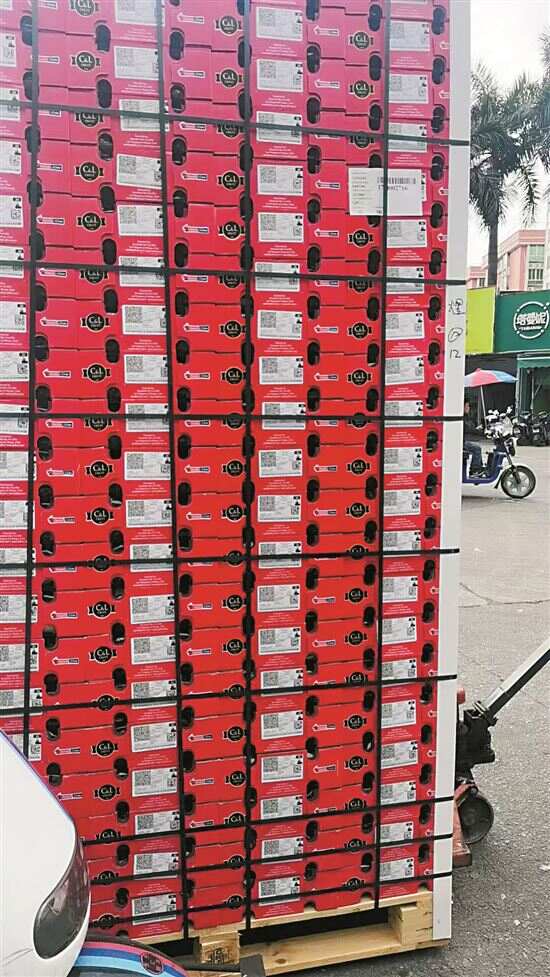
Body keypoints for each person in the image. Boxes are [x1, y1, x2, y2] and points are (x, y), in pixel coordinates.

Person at [463, 400, 484, 474]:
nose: (468, 408)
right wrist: (479, 431)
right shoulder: (462, 417)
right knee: (477, 448)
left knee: (476, 446)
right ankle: (475, 470)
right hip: (462, 443)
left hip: (462, 441)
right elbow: (468, 428)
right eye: (467, 406)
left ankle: (479, 467)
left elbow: (470, 426)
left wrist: (476, 429)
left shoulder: (465, 416)